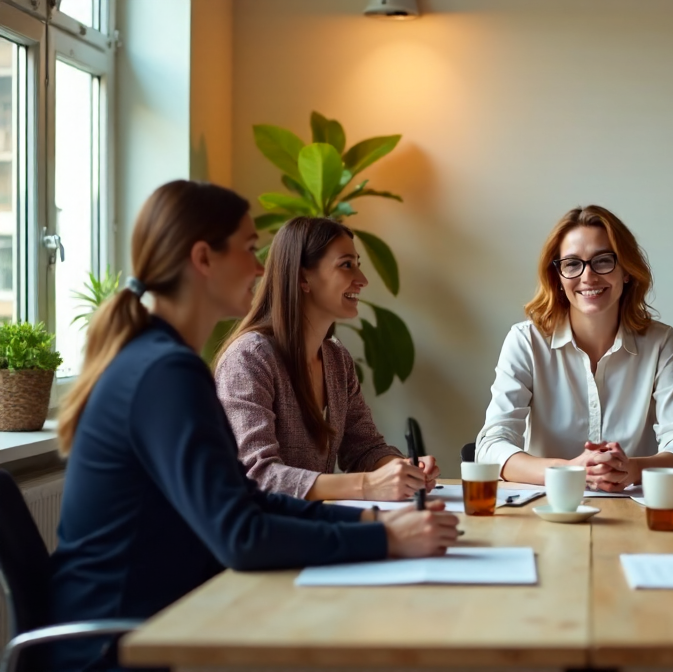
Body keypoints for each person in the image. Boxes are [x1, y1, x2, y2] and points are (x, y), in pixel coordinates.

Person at [47, 182, 458, 672]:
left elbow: (247, 501)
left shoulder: (163, 363)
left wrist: (376, 522)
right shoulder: (165, 373)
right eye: (247, 249)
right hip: (119, 645)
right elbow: (240, 535)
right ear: (204, 258)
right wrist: (386, 539)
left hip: (165, 619)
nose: (262, 267)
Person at [476, 205, 673, 490]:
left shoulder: (660, 342)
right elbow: (490, 447)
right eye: (572, 264)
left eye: (603, 261)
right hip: (547, 512)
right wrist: (568, 470)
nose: (588, 276)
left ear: (626, 271)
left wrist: (632, 469)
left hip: (634, 512)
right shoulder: (526, 341)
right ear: (557, 277)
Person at [215, 217, 437, 501]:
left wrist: (402, 470)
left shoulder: (335, 358)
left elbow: (364, 449)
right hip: (266, 538)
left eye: (357, 264)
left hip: (314, 528)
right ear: (302, 277)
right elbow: (256, 476)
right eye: (347, 264)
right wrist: (368, 485)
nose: (363, 280)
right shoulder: (248, 359)